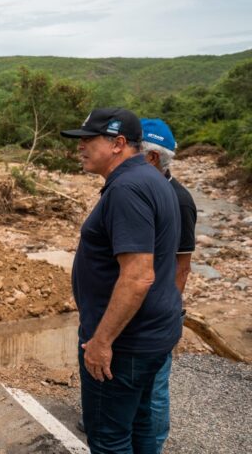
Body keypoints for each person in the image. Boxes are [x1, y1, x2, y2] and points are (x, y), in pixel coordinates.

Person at [61, 107, 182, 453]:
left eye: (88, 140)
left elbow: (139, 276)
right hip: (151, 335)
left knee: (109, 439)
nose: (80, 148)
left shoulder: (128, 189)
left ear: (118, 143)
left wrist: (101, 342)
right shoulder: (151, 178)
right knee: (141, 428)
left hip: (124, 345)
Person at [140, 118, 197, 453]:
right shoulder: (134, 189)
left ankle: (153, 446)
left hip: (156, 311)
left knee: (155, 386)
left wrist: (165, 310)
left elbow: (182, 266)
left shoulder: (180, 201)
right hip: (130, 304)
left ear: (153, 159)